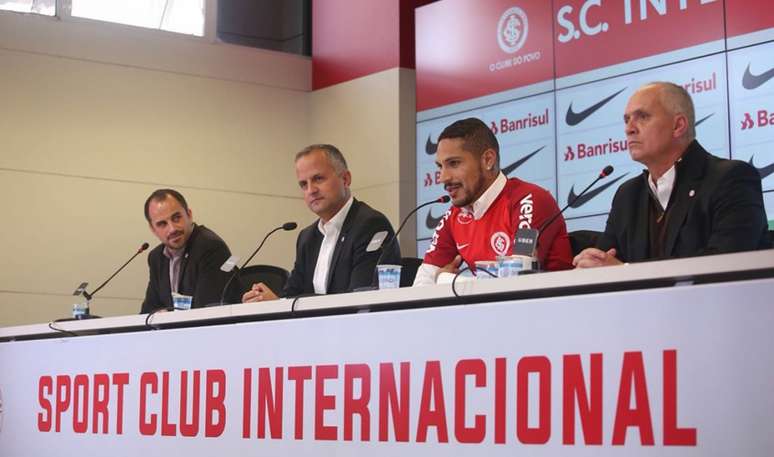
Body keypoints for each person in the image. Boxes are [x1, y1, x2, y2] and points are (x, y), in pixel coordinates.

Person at [573, 82, 770, 268]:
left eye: (642, 117)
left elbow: (725, 264)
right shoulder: (628, 195)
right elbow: (607, 260)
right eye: (626, 120)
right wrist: (591, 264)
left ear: (678, 126)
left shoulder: (731, 179)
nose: (629, 129)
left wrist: (625, 270)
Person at [413, 118, 573, 285]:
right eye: (440, 166)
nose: (442, 178)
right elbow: (421, 284)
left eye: (454, 163)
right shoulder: (453, 217)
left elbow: (515, 281)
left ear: (488, 160)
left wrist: (444, 279)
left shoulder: (529, 199)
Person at [242, 144, 400, 301]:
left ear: (345, 179)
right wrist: (267, 302)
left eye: (318, 179)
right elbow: (291, 294)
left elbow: (360, 296)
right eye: (304, 184)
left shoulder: (370, 225)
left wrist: (282, 303)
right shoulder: (307, 237)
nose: (311, 190)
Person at [141, 189, 240, 313]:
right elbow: (148, 310)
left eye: (176, 218)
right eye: (162, 224)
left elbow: (208, 310)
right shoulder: (156, 257)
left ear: (189, 214)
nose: (172, 229)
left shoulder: (211, 247)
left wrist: (166, 316)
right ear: (153, 229)